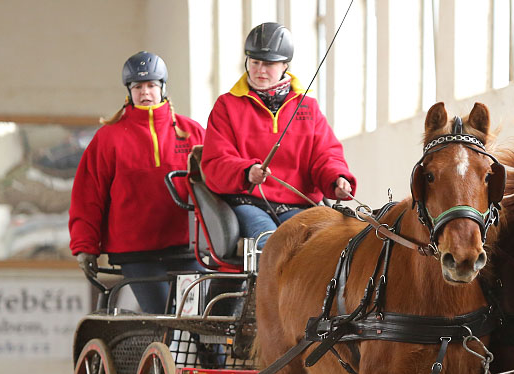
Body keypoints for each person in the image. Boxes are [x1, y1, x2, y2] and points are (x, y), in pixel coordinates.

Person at [69, 51, 206, 313]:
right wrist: (84, 247)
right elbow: (88, 196)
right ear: (128, 91)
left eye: (152, 86)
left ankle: (210, 356)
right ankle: (163, 354)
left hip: (187, 249)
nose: (145, 93)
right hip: (137, 253)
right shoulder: (108, 138)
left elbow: (217, 184)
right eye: (138, 87)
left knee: (201, 319)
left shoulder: (192, 133)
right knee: (163, 317)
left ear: (162, 88)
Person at [201, 22, 357, 248]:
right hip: (248, 203)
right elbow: (215, 161)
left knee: (327, 247)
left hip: (298, 206)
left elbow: (325, 155)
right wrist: (247, 171)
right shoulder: (226, 106)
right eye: (255, 62)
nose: (260, 70)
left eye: (269, 64)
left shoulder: (308, 107)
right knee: (273, 244)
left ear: (285, 65)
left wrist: (336, 179)